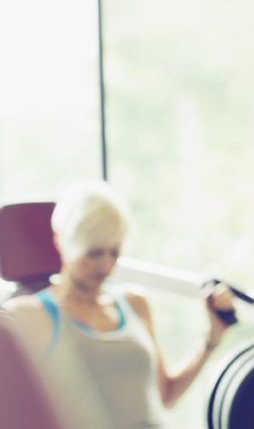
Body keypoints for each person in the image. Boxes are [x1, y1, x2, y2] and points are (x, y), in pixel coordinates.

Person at [2, 181, 236, 429]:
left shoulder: (135, 305)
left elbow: (166, 395)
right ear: (62, 241)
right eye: (94, 253)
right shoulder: (30, 314)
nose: (105, 266)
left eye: (114, 253)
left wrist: (212, 338)